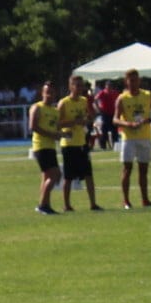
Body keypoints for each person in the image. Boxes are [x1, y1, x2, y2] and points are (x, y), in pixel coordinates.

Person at [114, 69, 151, 210]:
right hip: (129, 138)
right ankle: (126, 201)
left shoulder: (147, 95)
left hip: (144, 136)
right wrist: (129, 124)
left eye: (135, 80)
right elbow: (115, 119)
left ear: (139, 80)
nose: (133, 83)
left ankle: (145, 199)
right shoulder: (122, 98)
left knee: (144, 169)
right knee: (127, 169)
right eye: (130, 80)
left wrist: (149, 120)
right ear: (126, 82)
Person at [57, 76, 101, 212]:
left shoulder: (84, 101)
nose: (80, 88)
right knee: (68, 176)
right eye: (77, 85)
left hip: (82, 142)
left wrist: (88, 119)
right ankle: (66, 205)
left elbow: (91, 116)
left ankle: (93, 204)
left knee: (88, 174)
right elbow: (57, 123)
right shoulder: (64, 103)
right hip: (68, 144)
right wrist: (74, 122)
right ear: (70, 87)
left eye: (81, 85)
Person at [28, 80, 62, 215]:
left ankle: (45, 204)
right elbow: (33, 127)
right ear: (42, 93)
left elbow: (55, 128)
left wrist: (61, 134)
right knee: (55, 175)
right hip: (41, 146)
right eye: (47, 92)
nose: (49, 95)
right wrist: (52, 135)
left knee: (48, 176)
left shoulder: (55, 111)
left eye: (52, 92)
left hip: (51, 147)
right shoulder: (37, 107)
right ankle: (42, 205)